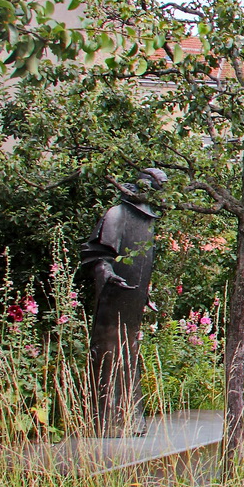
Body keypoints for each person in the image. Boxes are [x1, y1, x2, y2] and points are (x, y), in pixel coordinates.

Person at [81, 168, 167, 435]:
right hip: (113, 299)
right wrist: (108, 275)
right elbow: (97, 256)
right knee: (109, 355)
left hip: (132, 302)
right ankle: (106, 421)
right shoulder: (117, 215)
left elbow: (140, 266)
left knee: (129, 357)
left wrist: (144, 295)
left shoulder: (147, 223)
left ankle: (130, 418)